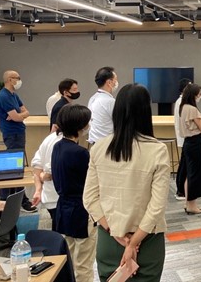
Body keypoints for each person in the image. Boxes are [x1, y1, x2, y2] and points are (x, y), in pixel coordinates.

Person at [83, 84, 170, 282]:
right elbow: (157, 206)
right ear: (146, 111)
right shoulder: (157, 150)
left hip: (109, 240)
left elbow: (89, 198)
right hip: (148, 240)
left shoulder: (98, 148)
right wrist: (133, 243)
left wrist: (116, 234)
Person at [52, 104, 97, 282]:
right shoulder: (81, 153)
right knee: (84, 263)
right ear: (80, 126)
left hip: (63, 208)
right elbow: (92, 184)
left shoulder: (58, 147)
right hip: (81, 210)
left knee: (69, 259)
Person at [0, 70, 36, 212]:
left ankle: (15, 199)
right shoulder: (3, 97)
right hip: (12, 134)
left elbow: (25, 112)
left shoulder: (14, 95)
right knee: (12, 168)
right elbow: (16, 117)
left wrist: (20, 114)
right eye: (17, 78)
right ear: (9, 79)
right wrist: (19, 115)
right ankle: (10, 201)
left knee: (16, 167)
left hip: (18, 133)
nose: (19, 80)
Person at [178, 83, 201, 214]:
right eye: (198, 94)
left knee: (189, 173)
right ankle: (192, 205)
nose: (200, 96)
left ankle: (189, 203)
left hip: (189, 143)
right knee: (195, 174)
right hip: (195, 143)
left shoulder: (183, 107)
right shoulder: (192, 109)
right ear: (193, 95)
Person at [31, 130, 63, 230]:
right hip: (59, 198)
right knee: (62, 234)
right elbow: (48, 174)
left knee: (56, 228)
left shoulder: (50, 138)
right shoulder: (62, 144)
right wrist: (44, 176)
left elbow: (37, 167)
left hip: (50, 197)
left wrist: (38, 190)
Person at [87, 66, 118, 145]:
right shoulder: (110, 102)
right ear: (109, 83)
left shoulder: (92, 99)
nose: (116, 82)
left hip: (94, 143)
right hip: (107, 145)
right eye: (115, 79)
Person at [174, 77, 192, 200]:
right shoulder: (182, 102)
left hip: (184, 137)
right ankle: (180, 191)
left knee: (184, 164)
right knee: (184, 165)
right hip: (186, 137)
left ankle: (181, 189)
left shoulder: (181, 101)